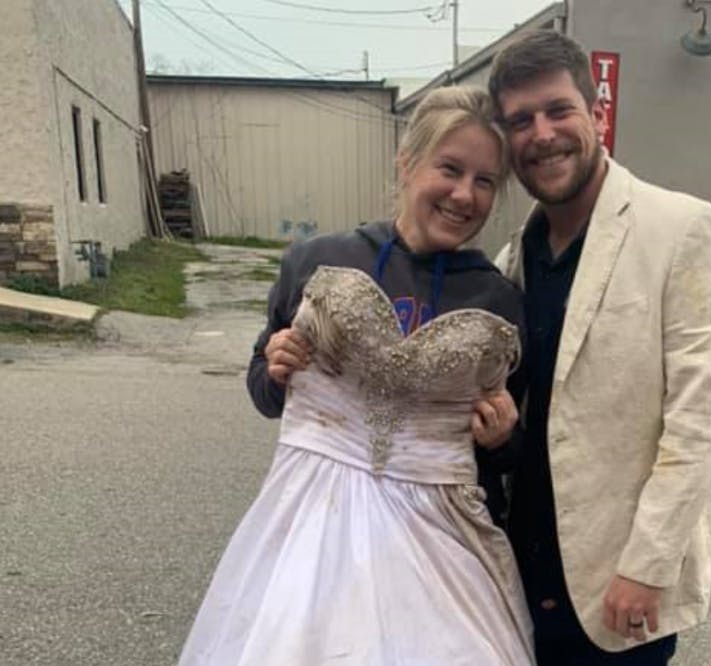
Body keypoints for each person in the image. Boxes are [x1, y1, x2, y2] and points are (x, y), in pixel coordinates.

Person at [178, 86, 535, 666]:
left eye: (485, 180)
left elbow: (506, 449)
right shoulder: (319, 260)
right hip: (311, 527)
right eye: (449, 168)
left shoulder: (498, 300)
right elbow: (266, 391)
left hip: (440, 541)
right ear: (406, 162)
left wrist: (501, 439)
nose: (464, 194)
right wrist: (275, 369)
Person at [489, 30, 711, 665]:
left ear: (597, 114)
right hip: (517, 573)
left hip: (617, 589)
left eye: (558, 110)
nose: (541, 134)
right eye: (521, 120)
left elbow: (699, 425)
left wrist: (648, 568)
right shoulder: (511, 260)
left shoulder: (684, 228)